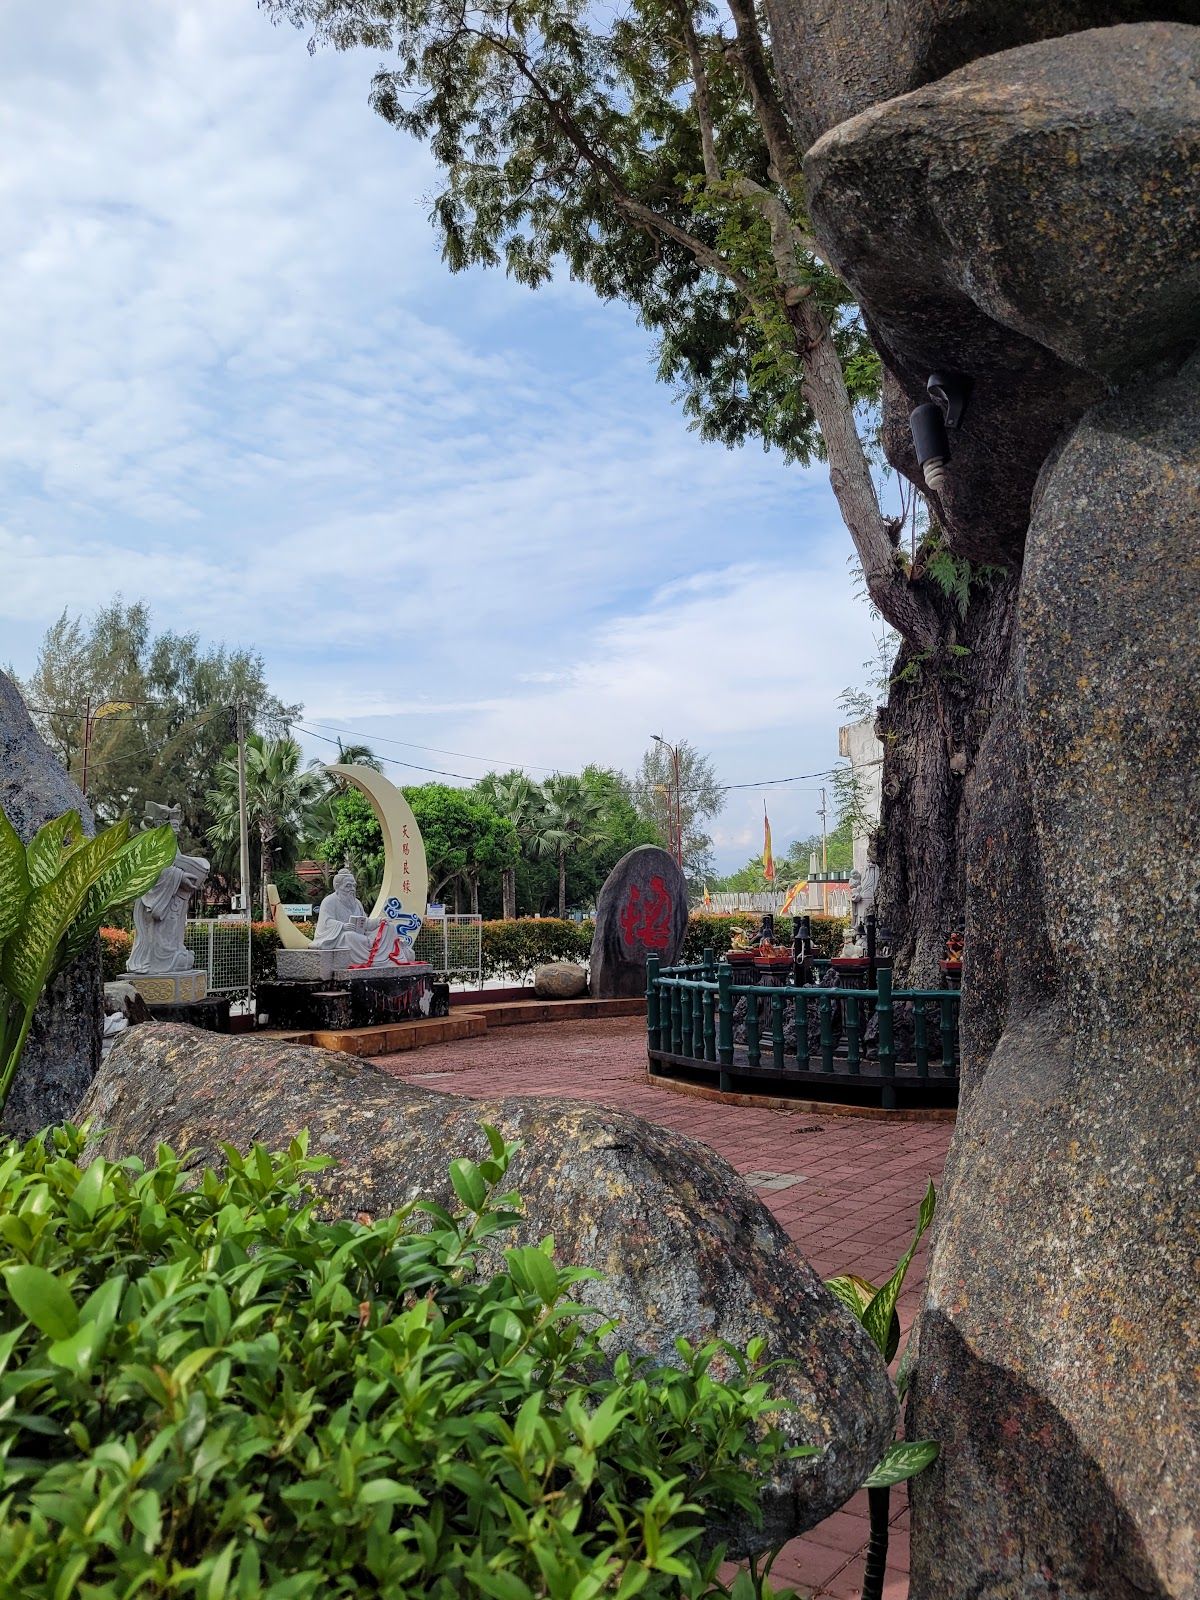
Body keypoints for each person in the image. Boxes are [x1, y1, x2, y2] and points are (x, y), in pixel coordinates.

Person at [128, 804, 209, 973]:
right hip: (157, 900)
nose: (176, 833)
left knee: (173, 937)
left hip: (172, 899)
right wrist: (178, 876)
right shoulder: (149, 844)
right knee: (159, 940)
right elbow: (148, 871)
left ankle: (173, 953)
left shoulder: (171, 845)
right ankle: (160, 960)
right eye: (172, 828)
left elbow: (176, 862)